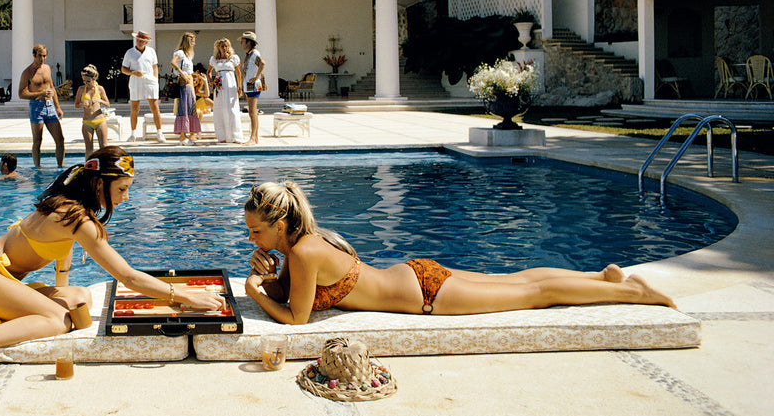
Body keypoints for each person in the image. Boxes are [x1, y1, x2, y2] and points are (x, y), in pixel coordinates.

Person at [0, 146, 226, 389]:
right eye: (122, 188)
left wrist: (57, 290)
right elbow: (127, 276)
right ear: (100, 183)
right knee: (58, 319)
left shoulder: (66, 204)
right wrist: (183, 295)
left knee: (78, 298)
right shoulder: (77, 219)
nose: (126, 196)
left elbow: (61, 255)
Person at [241, 181, 676, 326]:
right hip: (417, 274)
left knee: (535, 294)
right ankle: (601, 277)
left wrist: (254, 291)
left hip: (429, 297)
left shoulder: (303, 252)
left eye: (256, 231)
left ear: (280, 224)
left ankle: (637, 294)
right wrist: (269, 275)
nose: (251, 239)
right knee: (517, 280)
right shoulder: (305, 244)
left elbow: (297, 319)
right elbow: (298, 294)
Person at [18, 44, 64, 168]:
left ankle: (60, 166)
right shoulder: (27, 73)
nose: (42, 59)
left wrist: (58, 107)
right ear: (34, 55)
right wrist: (40, 93)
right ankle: (37, 167)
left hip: (50, 107)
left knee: (60, 139)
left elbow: (52, 87)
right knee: (38, 140)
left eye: (44, 56)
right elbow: (21, 94)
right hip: (36, 107)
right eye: (40, 56)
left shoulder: (47, 68)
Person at [121, 30, 163, 142]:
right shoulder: (130, 52)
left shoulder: (151, 52)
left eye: (142, 40)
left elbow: (155, 66)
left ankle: (159, 133)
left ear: (146, 42)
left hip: (150, 80)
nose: (140, 42)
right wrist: (133, 73)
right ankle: (133, 134)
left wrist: (155, 79)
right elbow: (123, 69)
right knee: (135, 108)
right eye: (139, 40)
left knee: (155, 108)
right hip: (135, 80)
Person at [209, 38, 243, 144]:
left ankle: (235, 136)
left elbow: (238, 73)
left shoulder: (234, 58)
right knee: (220, 109)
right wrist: (211, 82)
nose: (224, 48)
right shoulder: (214, 59)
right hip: (219, 86)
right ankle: (222, 136)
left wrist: (240, 86)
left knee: (232, 110)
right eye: (222, 46)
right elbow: (209, 71)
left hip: (231, 84)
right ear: (218, 47)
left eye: (226, 46)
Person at [170, 32, 201, 145]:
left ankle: (189, 134)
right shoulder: (180, 53)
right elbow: (173, 63)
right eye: (193, 41)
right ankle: (183, 136)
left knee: (190, 107)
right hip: (184, 82)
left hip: (189, 83)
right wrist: (183, 75)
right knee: (184, 107)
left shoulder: (188, 55)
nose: (194, 43)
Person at [74, 64, 111, 158]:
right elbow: (76, 105)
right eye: (84, 81)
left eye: (88, 81)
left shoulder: (100, 89)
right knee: (89, 148)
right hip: (87, 121)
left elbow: (108, 103)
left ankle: (105, 167)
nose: (86, 83)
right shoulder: (81, 89)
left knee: (103, 147)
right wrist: (82, 104)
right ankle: (88, 168)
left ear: (94, 79)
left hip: (100, 120)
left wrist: (99, 100)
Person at [239, 31, 266, 146]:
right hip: (249, 86)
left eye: (243, 41)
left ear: (249, 42)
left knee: (252, 112)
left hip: (253, 86)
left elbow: (262, 63)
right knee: (251, 112)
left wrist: (256, 77)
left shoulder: (254, 53)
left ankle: (253, 138)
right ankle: (254, 138)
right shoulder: (250, 54)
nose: (241, 43)